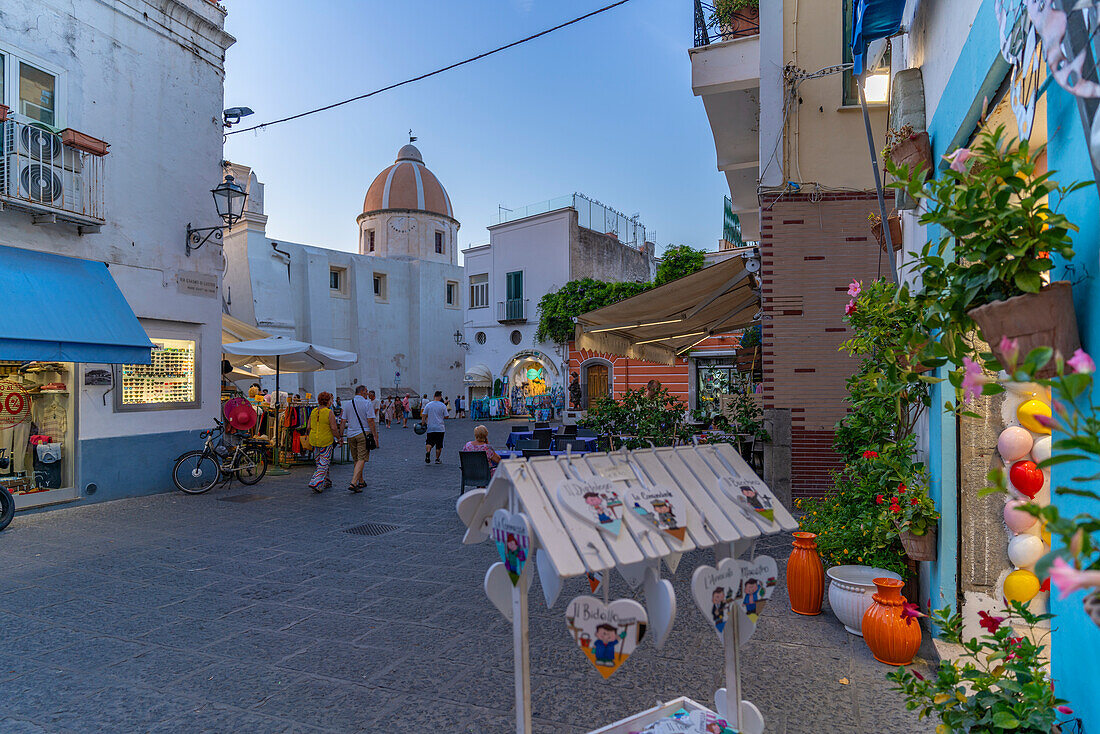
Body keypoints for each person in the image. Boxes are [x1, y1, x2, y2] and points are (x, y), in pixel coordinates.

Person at [307, 392, 341, 492]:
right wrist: (339, 438)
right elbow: (334, 428)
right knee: (324, 462)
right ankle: (315, 482)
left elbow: (308, 426)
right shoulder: (329, 412)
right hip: (326, 440)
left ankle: (326, 481)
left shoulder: (313, 411)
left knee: (319, 461)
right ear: (328, 401)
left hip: (314, 439)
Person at [345, 385, 376, 492]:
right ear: (362, 392)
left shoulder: (348, 403)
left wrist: (340, 435)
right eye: (366, 391)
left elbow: (343, 421)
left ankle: (361, 481)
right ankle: (354, 482)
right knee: (361, 458)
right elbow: (371, 421)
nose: (367, 394)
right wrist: (375, 436)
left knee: (356, 459)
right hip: (363, 434)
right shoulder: (367, 403)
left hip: (350, 434)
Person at [422, 390, 448, 464]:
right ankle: (437, 459)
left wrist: (423, 423)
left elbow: (423, 415)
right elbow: (446, 416)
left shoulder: (429, 405)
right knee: (439, 444)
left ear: (434, 396)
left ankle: (428, 452)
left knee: (429, 442)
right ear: (440, 397)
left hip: (431, 427)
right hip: (440, 427)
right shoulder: (442, 405)